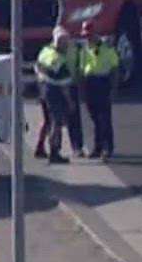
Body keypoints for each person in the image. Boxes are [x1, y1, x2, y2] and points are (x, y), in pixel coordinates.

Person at [32, 25, 83, 163]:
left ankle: (40, 147)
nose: (67, 44)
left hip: (43, 88)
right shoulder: (59, 61)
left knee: (47, 121)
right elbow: (64, 86)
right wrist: (70, 102)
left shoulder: (45, 51)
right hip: (54, 92)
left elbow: (37, 67)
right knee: (56, 122)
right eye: (65, 42)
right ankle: (55, 152)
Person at [76, 24, 122, 159]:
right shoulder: (84, 49)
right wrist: (81, 89)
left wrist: (113, 88)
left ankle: (108, 148)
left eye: (89, 35)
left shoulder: (107, 48)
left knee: (104, 118)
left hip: (103, 82)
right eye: (85, 36)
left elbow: (115, 69)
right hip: (90, 82)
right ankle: (98, 147)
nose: (87, 38)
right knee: (95, 118)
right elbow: (81, 69)